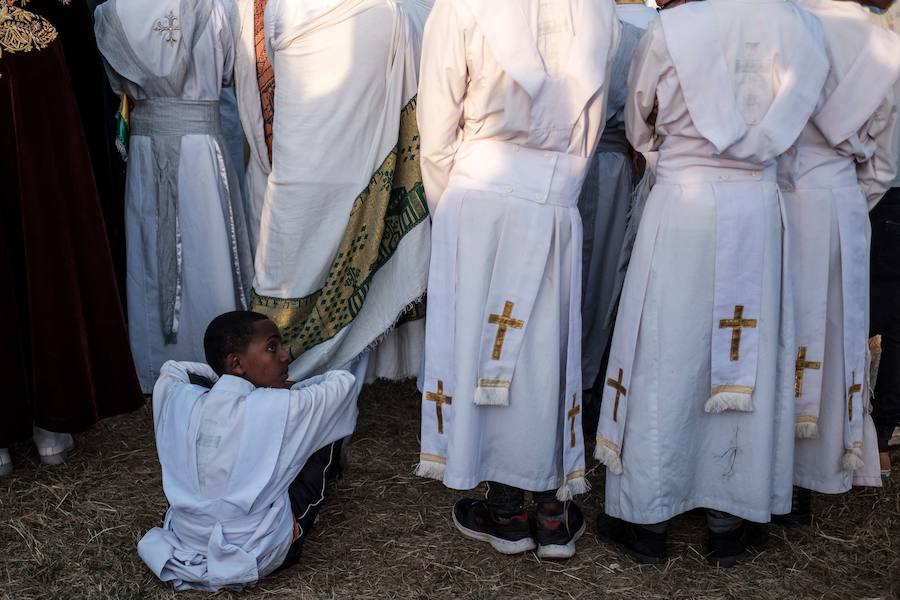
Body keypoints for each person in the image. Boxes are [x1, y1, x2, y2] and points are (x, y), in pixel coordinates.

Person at [593, 0, 829, 567]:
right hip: (756, 209)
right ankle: (730, 513)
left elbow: (641, 119)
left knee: (666, 355)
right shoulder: (803, 28)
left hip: (685, 204)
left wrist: (672, 157)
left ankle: (647, 516)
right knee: (743, 354)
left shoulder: (674, 28)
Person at [416, 0, 618, 559]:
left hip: (478, 192)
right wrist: (557, 190)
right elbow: (591, 127)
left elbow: (435, 130)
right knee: (544, 351)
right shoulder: (598, 10)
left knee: (484, 347)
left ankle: (505, 508)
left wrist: (453, 210)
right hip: (555, 198)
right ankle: (550, 511)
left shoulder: (459, 8)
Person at [243, 0, 432, 386]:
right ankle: (285, 357)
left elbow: (258, 68)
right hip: (303, 156)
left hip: (314, 158)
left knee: (294, 241)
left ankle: (286, 360)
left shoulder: (389, 9)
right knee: (294, 240)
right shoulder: (395, 9)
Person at [0, 2, 143, 477]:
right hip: (38, 68)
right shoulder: (44, 24)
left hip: (38, 70)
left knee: (40, 234)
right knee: (42, 235)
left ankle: (40, 422)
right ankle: (48, 423)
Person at [776, 0, 899, 519]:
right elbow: (886, 163)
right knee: (827, 328)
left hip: (775, 190)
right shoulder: (885, 44)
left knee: (771, 326)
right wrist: (844, 198)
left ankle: (763, 461)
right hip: (841, 197)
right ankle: (815, 469)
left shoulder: (781, 23)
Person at [94, 0, 255, 393]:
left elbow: (117, 83)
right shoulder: (217, 6)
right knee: (210, 248)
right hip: (201, 146)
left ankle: (158, 366)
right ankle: (226, 359)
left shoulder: (110, 12)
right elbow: (230, 73)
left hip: (149, 147)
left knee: (152, 252)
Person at [138, 311, 359, 591]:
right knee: (321, 430)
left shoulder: (179, 398)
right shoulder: (282, 408)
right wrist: (289, 390)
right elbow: (343, 383)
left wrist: (223, 379)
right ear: (236, 363)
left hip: (186, 538)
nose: (284, 356)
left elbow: (175, 369)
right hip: (257, 550)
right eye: (271, 347)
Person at [580, 0, 657, 439]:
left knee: (588, 279)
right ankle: (588, 385)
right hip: (611, 164)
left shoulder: (617, 30)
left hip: (579, 164)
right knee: (602, 281)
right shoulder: (635, 32)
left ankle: (578, 385)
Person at [868, 0, 900, 478]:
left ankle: (871, 433)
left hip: (883, 190)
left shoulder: (882, 36)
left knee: (870, 313)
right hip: (885, 188)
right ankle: (876, 433)